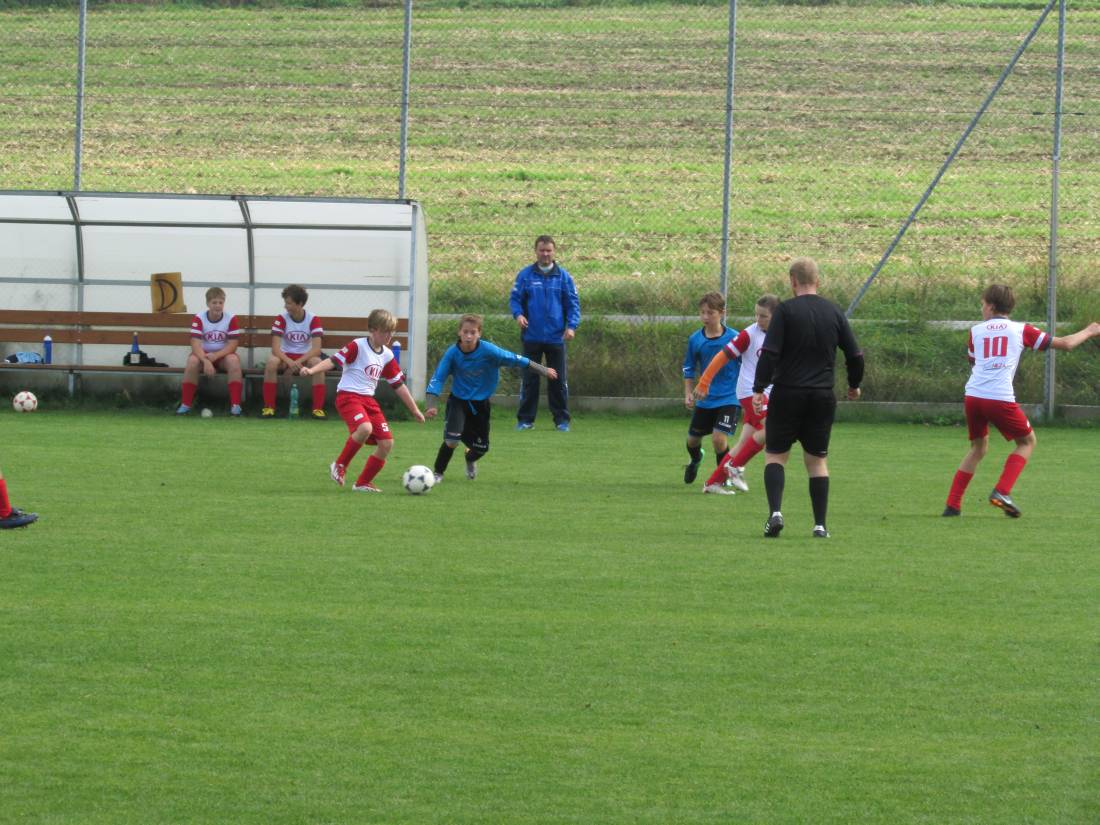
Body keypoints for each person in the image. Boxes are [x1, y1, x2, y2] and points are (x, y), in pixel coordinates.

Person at [943, 284, 1100, 518]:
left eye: (983, 304)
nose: (982, 308)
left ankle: (952, 505)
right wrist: (1089, 330)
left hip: (973, 396)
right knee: (1027, 442)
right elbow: (1066, 344)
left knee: (978, 448)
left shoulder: (975, 331)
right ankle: (1002, 492)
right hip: (999, 397)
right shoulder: (1020, 330)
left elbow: (974, 362)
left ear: (991, 306)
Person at [752, 258, 863, 538]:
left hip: (787, 393)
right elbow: (855, 355)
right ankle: (820, 525)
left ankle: (776, 513)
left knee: (775, 455)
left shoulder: (785, 311)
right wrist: (854, 385)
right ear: (818, 281)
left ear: (792, 281)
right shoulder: (834, 311)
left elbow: (770, 353)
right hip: (822, 396)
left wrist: (759, 387)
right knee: (816, 461)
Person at [300, 309, 425, 493]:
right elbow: (333, 361)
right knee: (365, 428)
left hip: (368, 401)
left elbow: (398, 384)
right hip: (348, 396)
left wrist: (414, 410)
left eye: (391, 331)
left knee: (387, 443)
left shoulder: (387, 355)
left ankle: (362, 483)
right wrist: (311, 370)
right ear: (372, 330)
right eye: (385, 331)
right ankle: (339, 465)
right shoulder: (357, 346)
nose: (389, 336)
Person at [424, 314, 558, 482]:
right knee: (452, 440)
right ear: (459, 332)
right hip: (458, 401)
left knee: (481, 448)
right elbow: (438, 378)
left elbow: (516, 359)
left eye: (473, 332)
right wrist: (431, 404)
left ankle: (470, 458)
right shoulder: (452, 353)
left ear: (479, 333)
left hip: (481, 404)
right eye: (465, 332)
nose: (468, 336)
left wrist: (543, 370)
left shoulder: (489, 351)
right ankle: (438, 473)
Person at [693, 293, 781, 493]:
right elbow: (722, 356)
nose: (758, 320)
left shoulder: (784, 333)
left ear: (777, 316)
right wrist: (704, 382)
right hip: (750, 391)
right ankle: (735, 466)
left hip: (768, 392)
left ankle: (713, 483)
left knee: (744, 442)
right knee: (773, 429)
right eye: (756, 315)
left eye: (763, 316)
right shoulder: (749, 334)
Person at [509, 235, 581, 432]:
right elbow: (515, 299)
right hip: (531, 336)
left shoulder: (564, 277)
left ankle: (561, 421)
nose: (545, 254)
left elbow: (573, 304)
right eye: (542, 250)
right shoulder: (525, 275)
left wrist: (571, 326)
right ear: (536, 251)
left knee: (558, 381)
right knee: (530, 381)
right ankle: (525, 421)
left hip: (556, 338)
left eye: (549, 250)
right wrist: (518, 315)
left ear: (554, 252)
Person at [680, 292, 741, 495]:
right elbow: (689, 368)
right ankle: (696, 459)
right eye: (702, 313)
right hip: (705, 399)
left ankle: (723, 478)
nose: (705, 317)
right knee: (692, 441)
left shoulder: (735, 338)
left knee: (718, 439)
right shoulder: (695, 340)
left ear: (722, 313)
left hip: (730, 397)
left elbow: (748, 364)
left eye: (711, 313)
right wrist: (688, 393)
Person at [261, 284, 327, 419]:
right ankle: (269, 408)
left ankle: (317, 409)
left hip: (305, 358)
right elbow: (275, 349)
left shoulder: (313, 319)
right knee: (271, 362)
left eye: (289, 303)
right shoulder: (281, 318)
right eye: (285, 302)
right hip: (285, 357)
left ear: (300, 304)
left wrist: (296, 363)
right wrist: (290, 362)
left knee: (318, 363)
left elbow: (316, 349)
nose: (285, 306)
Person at [177, 286, 243, 416]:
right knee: (192, 361)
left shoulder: (231, 318)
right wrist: (206, 361)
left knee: (234, 360)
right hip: (203, 355)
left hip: (222, 356)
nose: (218, 306)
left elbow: (233, 345)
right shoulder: (199, 318)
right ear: (208, 304)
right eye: (214, 302)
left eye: (220, 302)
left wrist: (216, 355)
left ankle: (236, 406)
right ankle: (185, 405)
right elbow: (195, 344)